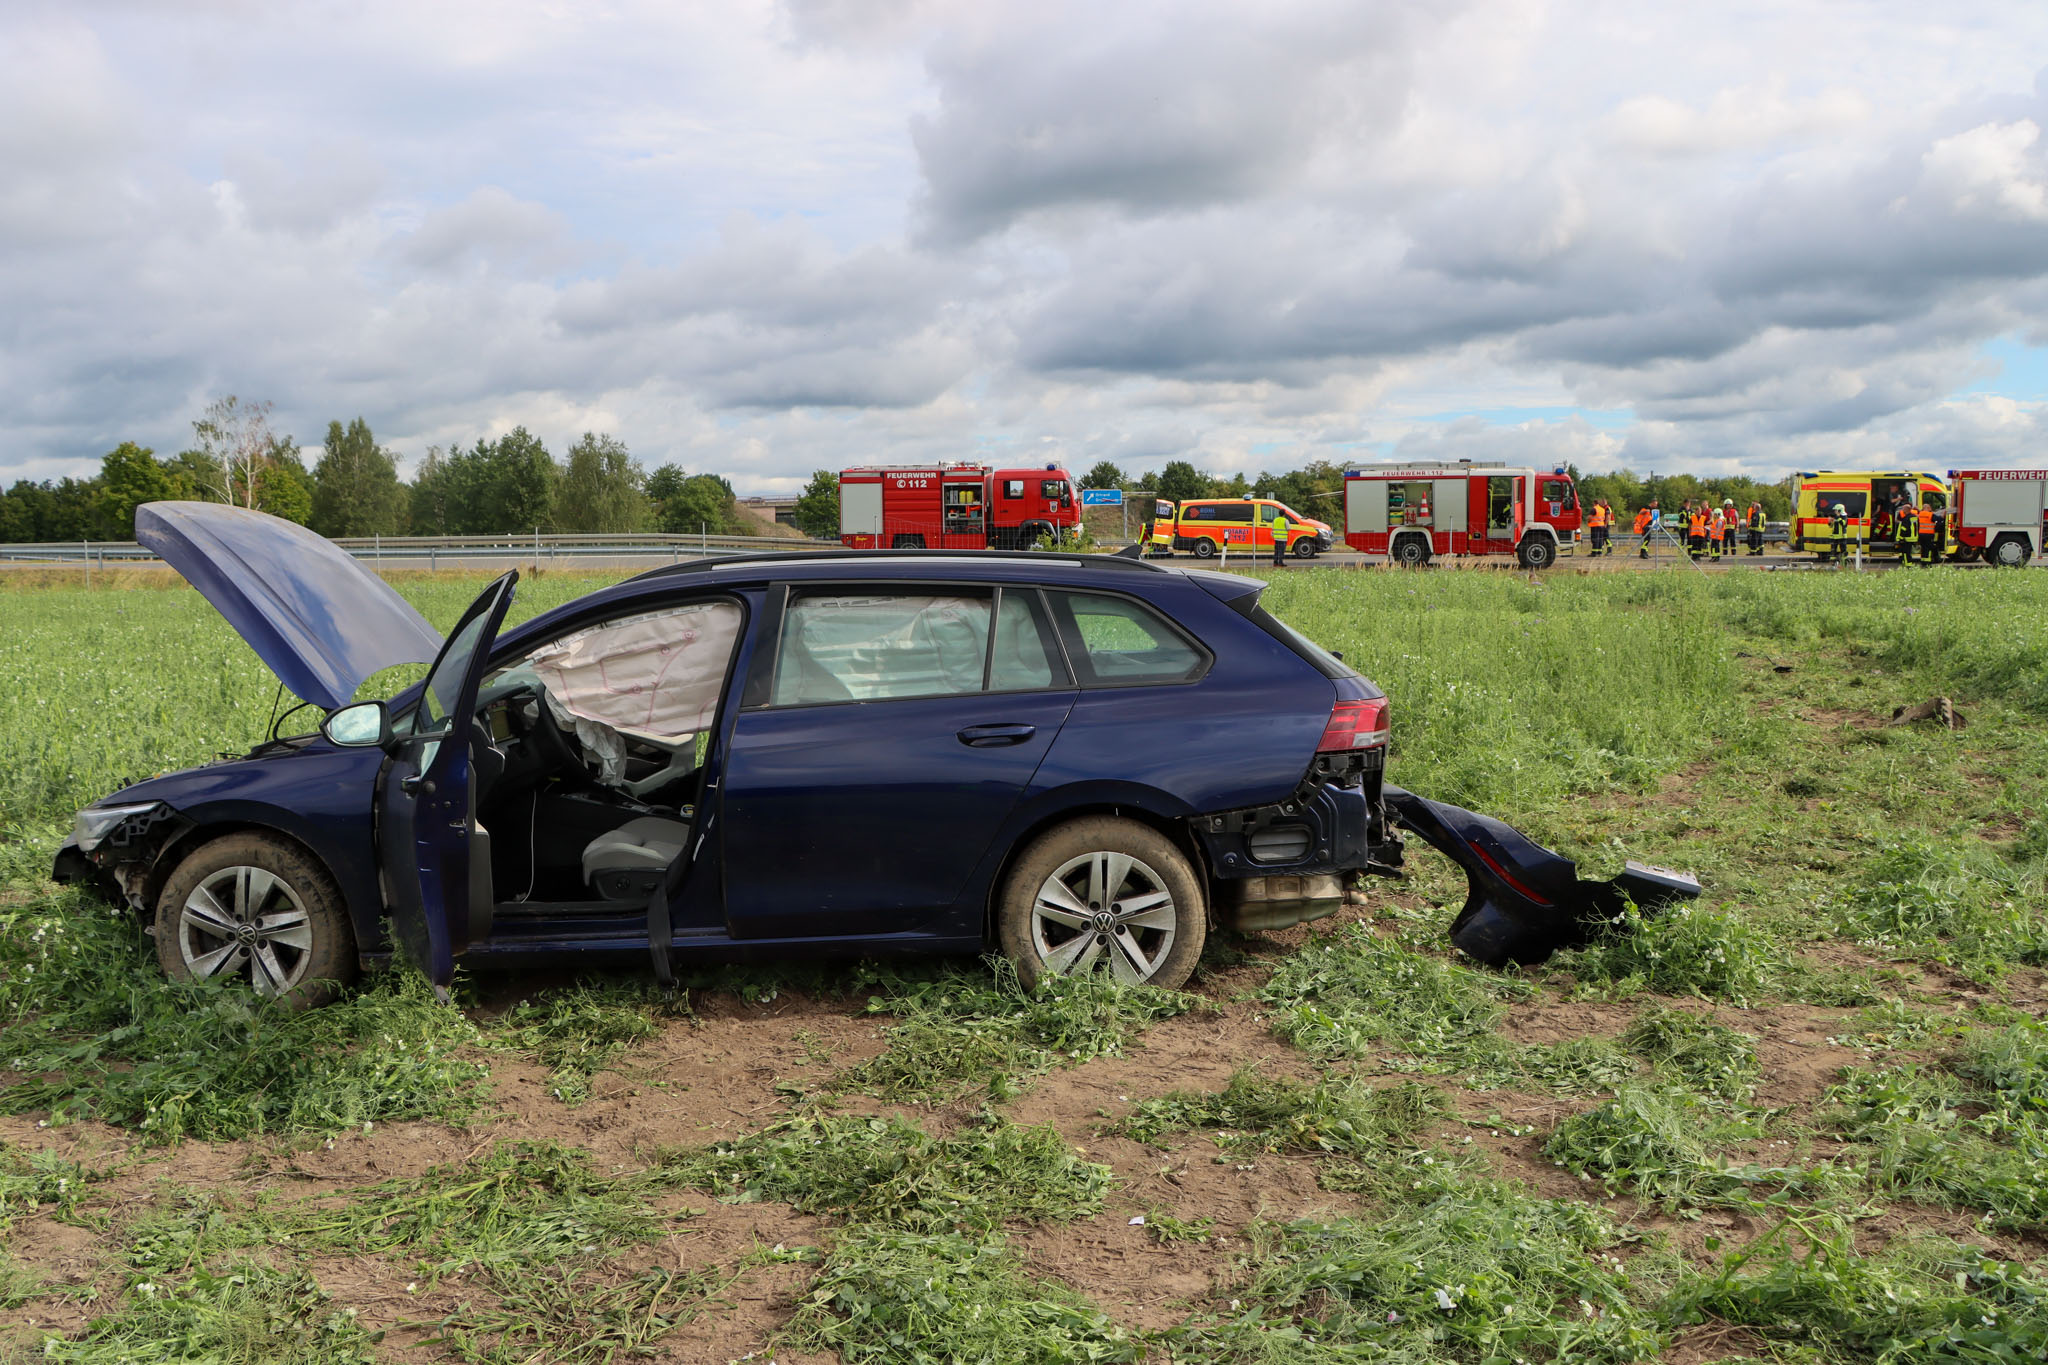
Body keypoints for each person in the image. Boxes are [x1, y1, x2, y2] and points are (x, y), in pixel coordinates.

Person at [1917, 499, 1939, 566]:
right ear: (1927, 508)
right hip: (1928, 534)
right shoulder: (1930, 514)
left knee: (1923, 548)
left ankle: (1923, 561)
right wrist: (1943, 515)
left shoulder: (1920, 514)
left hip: (1921, 534)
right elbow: (1939, 519)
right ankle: (1928, 562)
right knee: (1929, 548)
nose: (1931, 508)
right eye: (1929, 507)